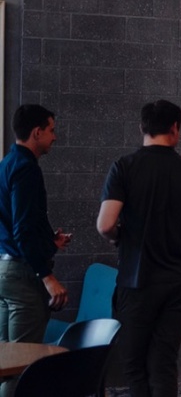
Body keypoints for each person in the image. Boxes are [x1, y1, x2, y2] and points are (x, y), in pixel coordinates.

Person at [96, 99, 181, 397]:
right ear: (175, 129)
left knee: (135, 365)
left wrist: (118, 237)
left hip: (136, 282)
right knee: (163, 364)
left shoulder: (124, 167)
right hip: (175, 282)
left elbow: (105, 224)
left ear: (142, 128)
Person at [0, 105, 72, 397]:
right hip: (22, 276)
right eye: (52, 130)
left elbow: (14, 224)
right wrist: (47, 275)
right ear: (36, 132)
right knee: (21, 367)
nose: (55, 137)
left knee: (6, 361)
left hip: (5, 272)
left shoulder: (6, 163)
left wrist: (48, 242)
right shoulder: (27, 169)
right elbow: (23, 229)